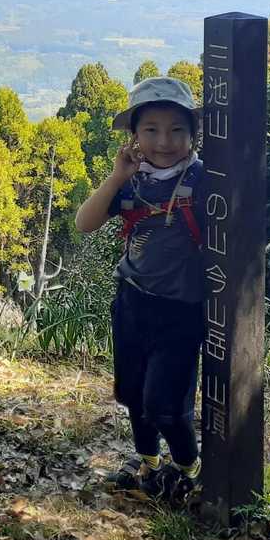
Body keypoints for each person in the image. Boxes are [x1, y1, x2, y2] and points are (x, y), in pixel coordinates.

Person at [74, 75, 205, 505]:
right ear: (134, 135)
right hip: (131, 301)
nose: (163, 141)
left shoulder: (203, 180)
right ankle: (148, 464)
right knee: (132, 394)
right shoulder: (133, 181)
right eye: (151, 129)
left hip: (181, 310)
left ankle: (188, 469)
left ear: (193, 133)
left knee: (165, 402)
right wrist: (116, 177)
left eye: (176, 129)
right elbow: (85, 223)